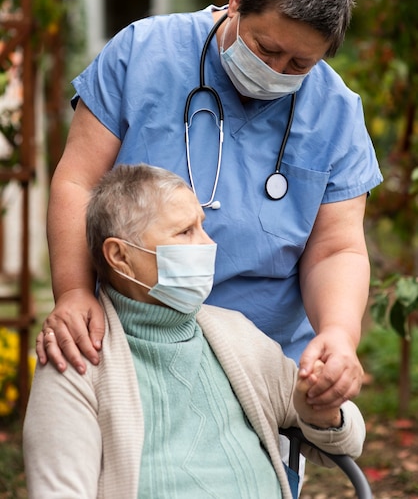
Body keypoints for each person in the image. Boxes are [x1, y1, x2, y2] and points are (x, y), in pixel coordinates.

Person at [38, 0, 382, 409]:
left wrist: (340, 334)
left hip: (264, 360)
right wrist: (74, 292)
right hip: (131, 341)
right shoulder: (142, 53)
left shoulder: (335, 113)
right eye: (266, 48)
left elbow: (337, 248)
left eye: (299, 64)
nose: (275, 71)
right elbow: (77, 181)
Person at [24, 164, 366, 499]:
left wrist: (321, 411)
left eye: (202, 226)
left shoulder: (236, 337)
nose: (207, 244)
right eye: (185, 232)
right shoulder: (75, 357)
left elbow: (348, 441)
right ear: (119, 255)